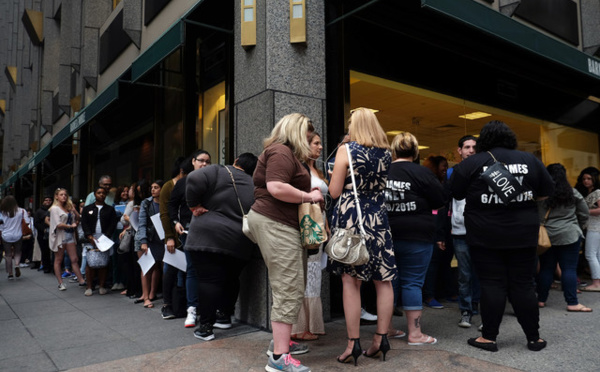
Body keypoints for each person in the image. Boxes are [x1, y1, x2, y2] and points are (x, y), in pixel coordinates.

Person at [450, 120, 554, 352]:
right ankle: (534, 338)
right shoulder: (530, 160)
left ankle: (489, 338)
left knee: (492, 284)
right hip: (524, 234)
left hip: (485, 235)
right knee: (524, 284)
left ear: (483, 141)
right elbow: (547, 192)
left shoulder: (474, 162)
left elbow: (455, 192)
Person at [246, 113, 323, 372]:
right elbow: (277, 187)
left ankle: (278, 346)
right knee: (288, 286)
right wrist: (309, 196)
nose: (310, 139)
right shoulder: (281, 151)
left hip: (276, 222)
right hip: (276, 222)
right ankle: (279, 358)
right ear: (295, 131)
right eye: (307, 135)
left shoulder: (281, 152)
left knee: (288, 285)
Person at [328, 108, 395, 365]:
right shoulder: (386, 153)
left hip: (352, 218)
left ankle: (352, 344)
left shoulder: (347, 150)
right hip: (378, 218)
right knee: (384, 279)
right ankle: (381, 339)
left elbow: (334, 192)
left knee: (351, 281)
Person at [185, 153, 258, 341]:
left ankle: (206, 328)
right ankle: (224, 316)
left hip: (207, 238)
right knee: (231, 278)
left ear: (236, 162)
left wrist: (194, 205)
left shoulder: (219, 170)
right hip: (240, 242)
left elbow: (193, 178)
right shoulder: (255, 184)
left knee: (208, 280)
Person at [384, 132, 446, 345]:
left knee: (387, 282)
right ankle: (415, 334)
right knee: (413, 283)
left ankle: (387, 329)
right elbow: (439, 200)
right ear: (416, 151)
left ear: (393, 150)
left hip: (386, 234)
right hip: (418, 236)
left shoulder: (383, 170)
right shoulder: (423, 173)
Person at [537, 164, 591, 311]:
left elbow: (537, 216)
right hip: (570, 235)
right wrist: (577, 227)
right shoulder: (572, 193)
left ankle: (541, 300)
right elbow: (584, 213)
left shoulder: (541, 194)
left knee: (546, 269)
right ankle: (572, 303)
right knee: (569, 269)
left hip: (548, 237)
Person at [168, 150, 212, 328]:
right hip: (188, 231)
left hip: (210, 230)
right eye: (201, 160)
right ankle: (192, 308)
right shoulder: (183, 182)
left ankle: (208, 308)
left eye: (208, 162)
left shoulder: (212, 181)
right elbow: (172, 205)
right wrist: (175, 222)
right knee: (192, 269)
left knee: (209, 270)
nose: (204, 164)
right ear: (193, 161)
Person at [292, 133, 328, 341]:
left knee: (314, 274)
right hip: (307, 222)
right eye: (316, 143)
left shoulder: (318, 170)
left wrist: (327, 224)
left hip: (319, 221)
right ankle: (300, 326)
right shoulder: (299, 167)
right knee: (305, 273)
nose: (320, 147)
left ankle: (310, 325)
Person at [449, 135, 481, 328]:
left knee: (482, 272)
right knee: (464, 274)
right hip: (459, 230)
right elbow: (446, 201)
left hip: (481, 230)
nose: (471, 150)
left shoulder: (485, 170)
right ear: (459, 150)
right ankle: (466, 311)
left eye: (474, 147)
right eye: (467, 147)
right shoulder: (453, 173)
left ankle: (477, 305)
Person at [159, 157, 187, 320]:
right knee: (170, 270)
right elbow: (164, 214)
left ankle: (181, 305)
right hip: (173, 237)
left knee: (184, 271)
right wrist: (169, 237)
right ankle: (167, 305)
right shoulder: (168, 186)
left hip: (186, 235)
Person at [80, 186, 118, 296]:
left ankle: (102, 286)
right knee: (89, 262)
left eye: (103, 193)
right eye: (99, 193)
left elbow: (113, 223)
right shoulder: (87, 208)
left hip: (104, 238)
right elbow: (84, 223)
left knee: (103, 262)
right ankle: (89, 286)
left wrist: (106, 236)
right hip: (90, 238)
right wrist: (89, 236)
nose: (101, 195)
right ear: (94, 194)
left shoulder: (110, 209)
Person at [134, 179, 165, 308]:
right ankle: (146, 297)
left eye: (156, 187)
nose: (153, 189)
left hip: (161, 239)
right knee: (146, 267)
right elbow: (142, 223)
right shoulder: (146, 203)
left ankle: (152, 293)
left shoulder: (166, 203)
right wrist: (144, 241)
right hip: (146, 238)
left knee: (158, 266)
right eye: (152, 187)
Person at [49, 189, 85, 290]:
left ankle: (81, 280)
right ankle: (60, 283)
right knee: (59, 260)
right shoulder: (54, 209)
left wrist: (74, 210)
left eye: (65, 195)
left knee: (74, 259)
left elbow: (78, 218)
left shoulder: (69, 208)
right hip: (60, 237)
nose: (64, 196)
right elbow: (58, 224)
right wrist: (70, 226)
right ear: (56, 197)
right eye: (61, 195)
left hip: (70, 236)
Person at [575, 167, 600, 292]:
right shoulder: (587, 192)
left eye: (589, 178)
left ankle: (596, 282)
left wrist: (584, 212)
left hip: (595, 227)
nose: (586, 181)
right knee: (597, 254)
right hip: (593, 226)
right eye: (584, 178)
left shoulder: (597, 192)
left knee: (590, 254)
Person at [0, 196, 31, 280]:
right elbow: (27, 222)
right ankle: (17, 265)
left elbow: (1, 226)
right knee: (17, 252)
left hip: (6, 236)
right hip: (18, 235)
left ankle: (10, 274)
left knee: (8, 254)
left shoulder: (2, 212)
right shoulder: (22, 211)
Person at [34, 196, 53, 273]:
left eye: (49, 200)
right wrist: (43, 229)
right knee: (45, 251)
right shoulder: (39, 211)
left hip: (52, 233)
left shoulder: (53, 210)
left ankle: (51, 266)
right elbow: (36, 223)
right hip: (42, 234)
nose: (48, 201)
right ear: (43, 201)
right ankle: (46, 267)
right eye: (46, 200)